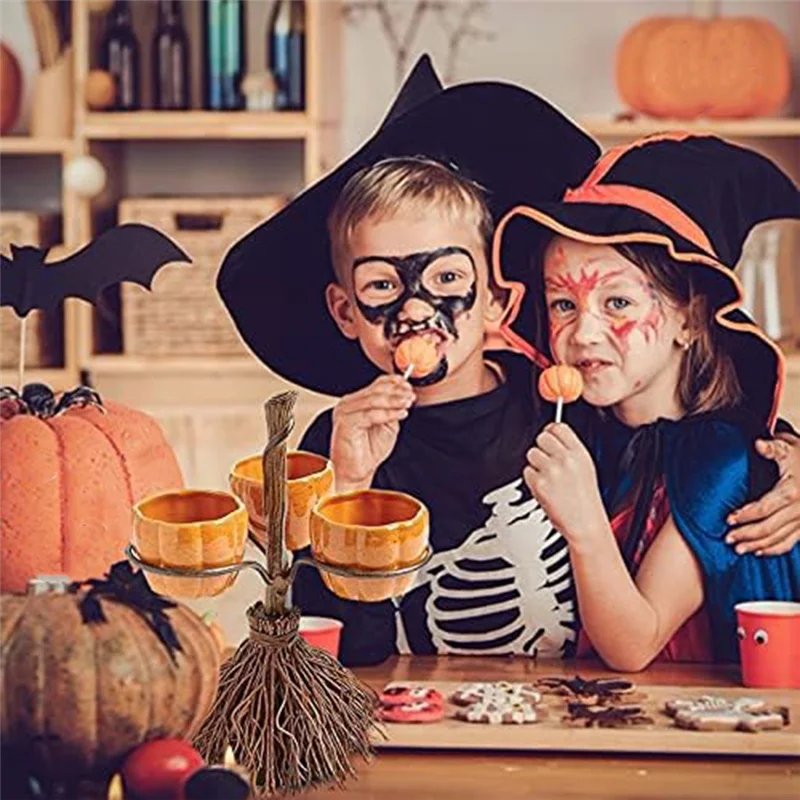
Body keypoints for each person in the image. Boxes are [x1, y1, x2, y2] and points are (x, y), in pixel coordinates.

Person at [217, 58, 800, 667]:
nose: (416, 310)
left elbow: (689, 441)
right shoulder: (335, 445)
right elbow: (337, 651)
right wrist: (351, 487)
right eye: (384, 286)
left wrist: (786, 457)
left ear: (497, 298)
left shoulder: (565, 406)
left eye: (446, 277)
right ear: (345, 310)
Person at [493, 132, 800, 669]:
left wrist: (584, 521)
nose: (583, 332)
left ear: (689, 319)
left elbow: (634, 644)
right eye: (563, 303)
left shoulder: (721, 458)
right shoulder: (585, 429)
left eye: (617, 302)